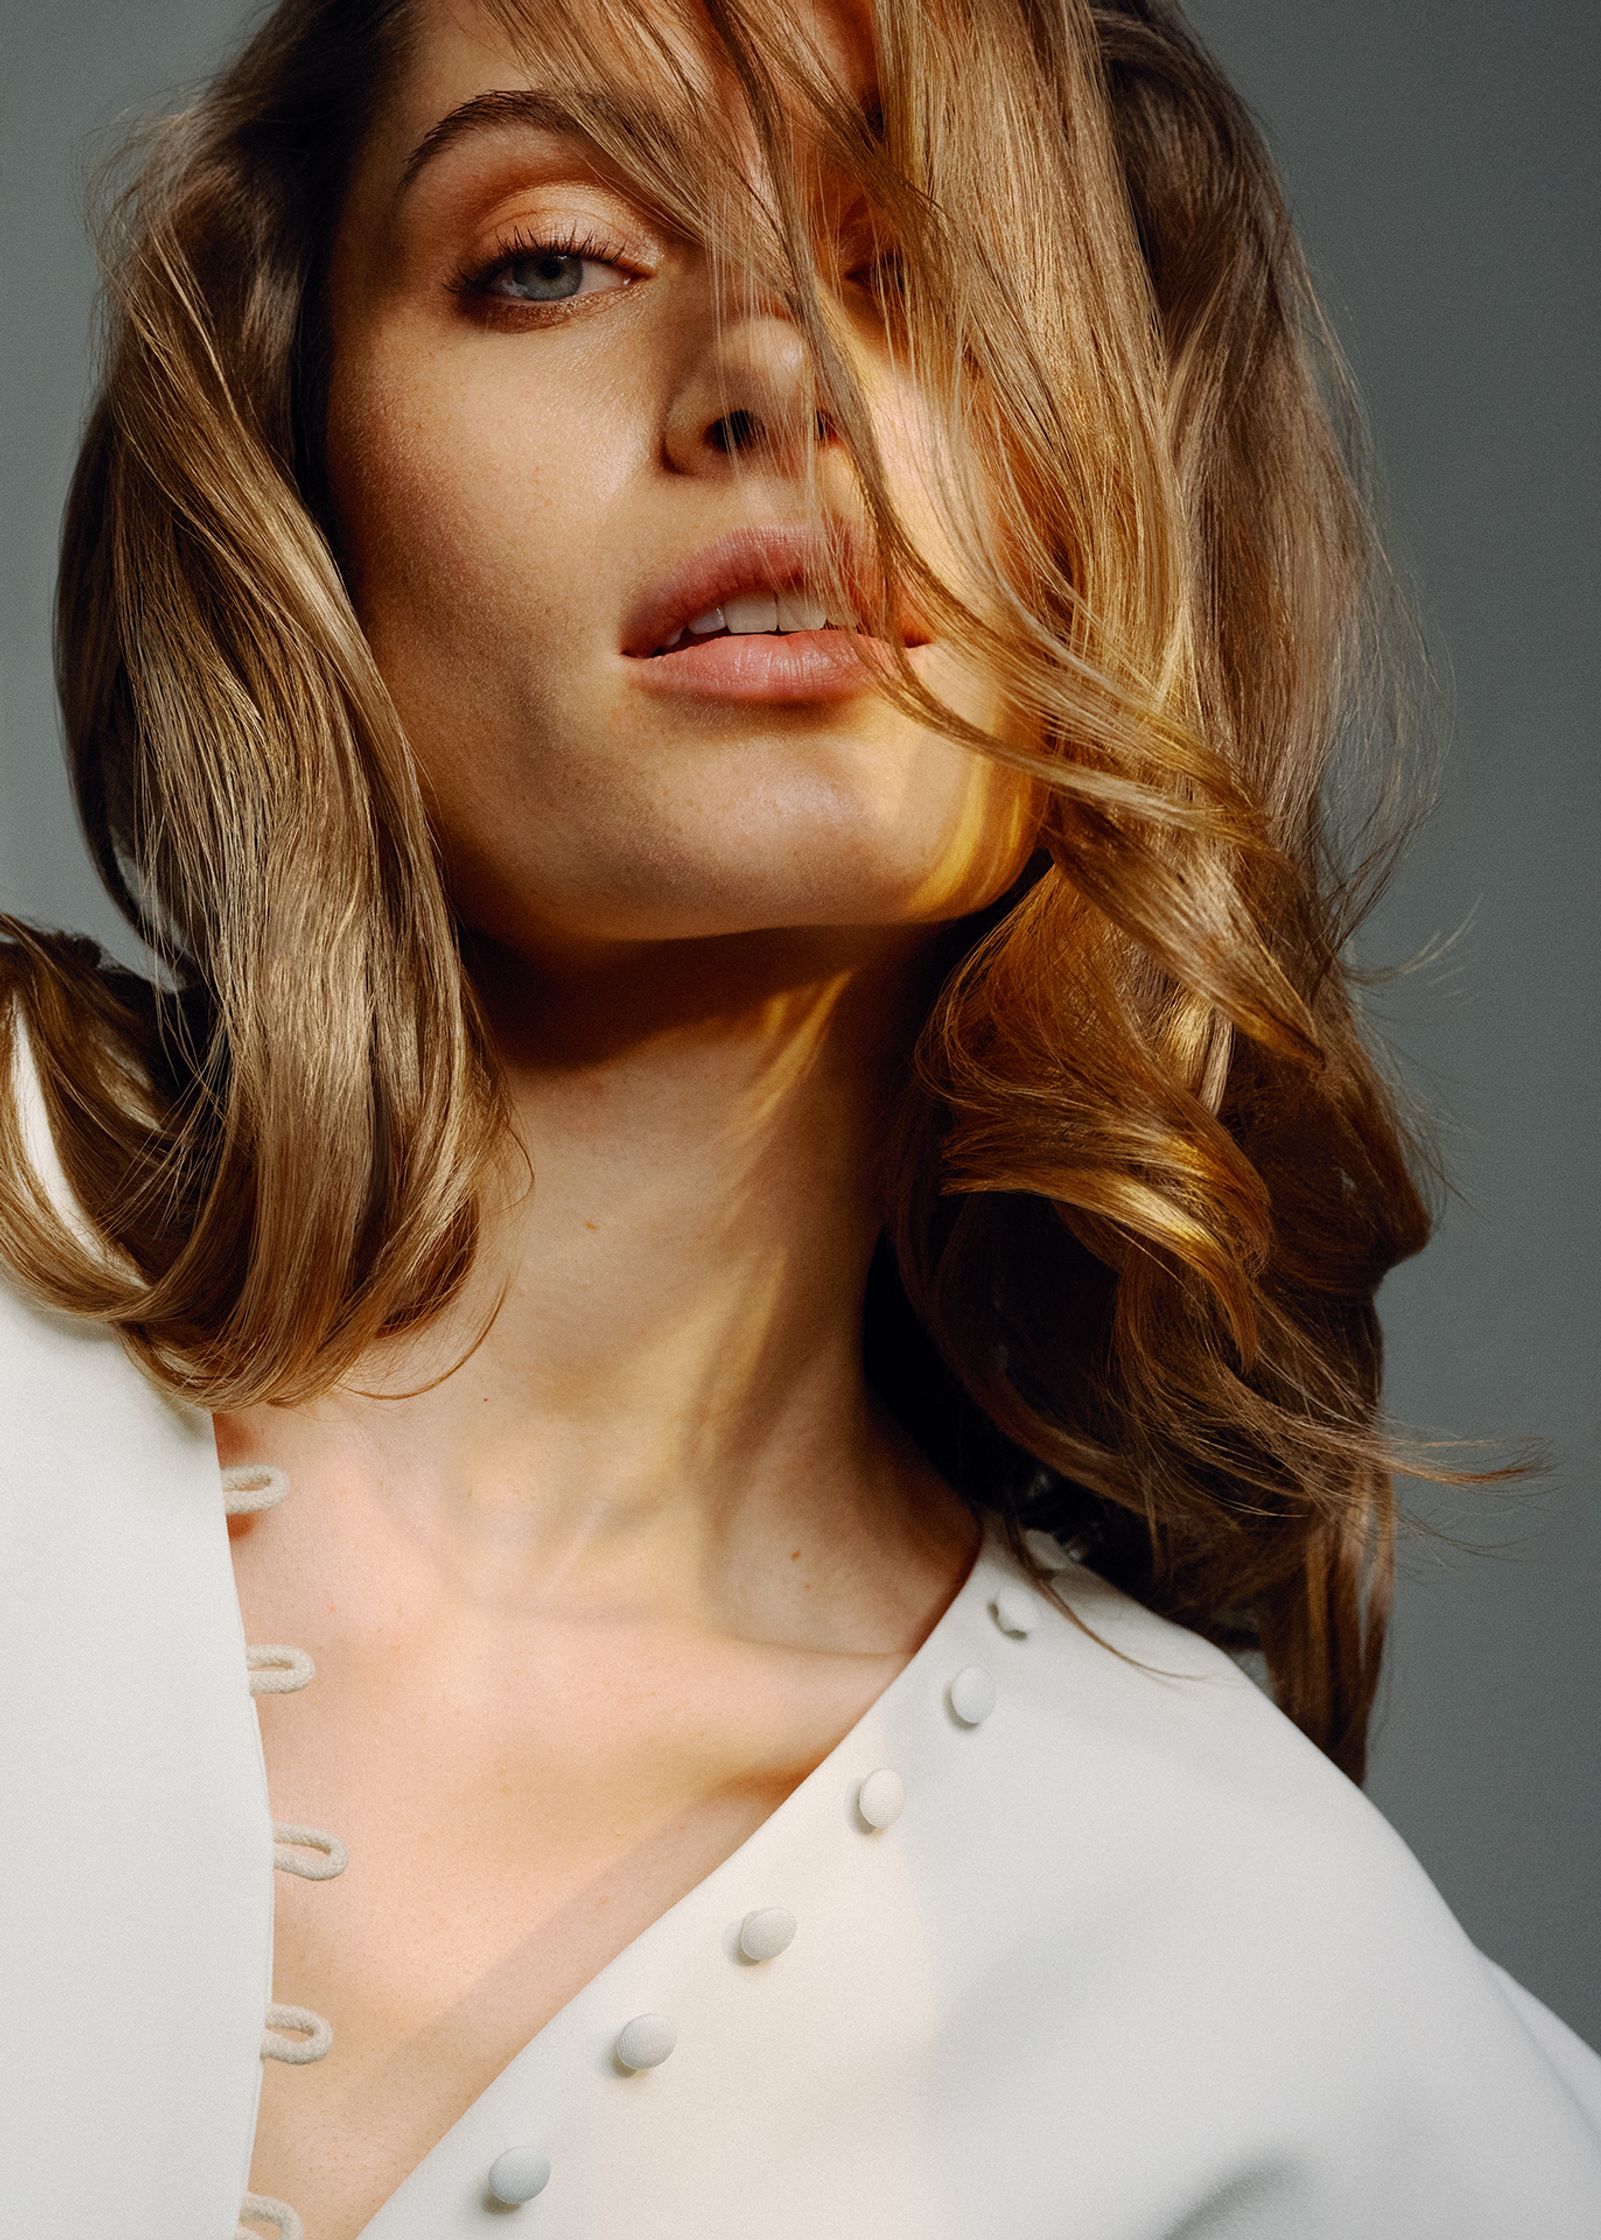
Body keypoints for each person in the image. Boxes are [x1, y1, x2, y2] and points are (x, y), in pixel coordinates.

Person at [1, 0, 1597, 2234]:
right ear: (295, 456)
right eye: (551, 257)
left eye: (923, 269)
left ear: (1116, 504)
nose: (771, 372)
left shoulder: (1285, 2014)